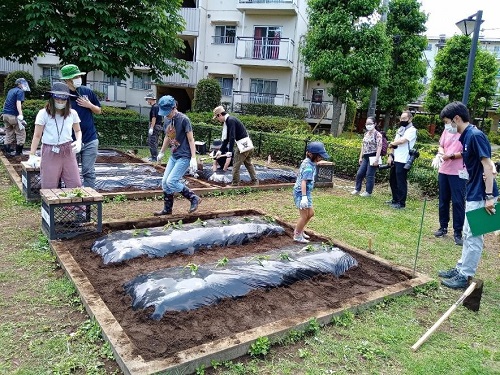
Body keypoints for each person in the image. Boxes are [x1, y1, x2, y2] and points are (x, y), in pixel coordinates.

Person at [438, 101, 498, 289]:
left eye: (447, 122)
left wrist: (489, 197)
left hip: (482, 194)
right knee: (467, 233)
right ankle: (461, 268)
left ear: (456, 118)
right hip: (473, 190)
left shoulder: (475, 135)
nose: (447, 126)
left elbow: (488, 165)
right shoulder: (465, 136)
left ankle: (465, 275)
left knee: (473, 236)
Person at [27, 82, 82, 189]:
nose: (60, 102)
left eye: (63, 99)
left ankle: (73, 206)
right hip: (50, 150)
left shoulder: (72, 113)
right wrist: (32, 155)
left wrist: (79, 141)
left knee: (75, 184)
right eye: (57, 99)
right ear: (52, 98)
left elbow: (78, 130)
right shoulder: (43, 114)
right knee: (49, 185)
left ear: (67, 100)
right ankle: (51, 206)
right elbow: (37, 135)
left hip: (67, 150)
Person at [154, 95, 200, 216]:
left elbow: (191, 139)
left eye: (167, 112)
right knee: (165, 182)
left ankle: (193, 198)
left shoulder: (184, 120)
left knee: (171, 181)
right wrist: (162, 152)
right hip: (174, 155)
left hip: (184, 156)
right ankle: (167, 209)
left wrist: (193, 158)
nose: (166, 115)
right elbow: (168, 137)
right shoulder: (167, 120)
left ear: (174, 108)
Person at [60, 64, 102, 188]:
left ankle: (89, 202)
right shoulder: (62, 95)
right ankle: (72, 200)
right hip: (69, 141)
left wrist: (89, 105)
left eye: (79, 76)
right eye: (76, 76)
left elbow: (99, 110)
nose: (79, 78)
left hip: (90, 139)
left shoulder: (87, 92)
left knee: (88, 171)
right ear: (67, 80)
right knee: (70, 172)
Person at [431, 123, 466, 246]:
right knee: (443, 200)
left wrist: (451, 156)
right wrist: (441, 154)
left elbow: (466, 152)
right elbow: (441, 146)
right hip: (444, 170)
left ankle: (458, 232)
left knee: (458, 202)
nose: (447, 124)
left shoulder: (465, 132)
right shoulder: (446, 131)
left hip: (458, 172)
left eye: (448, 121)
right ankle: (443, 227)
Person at [293, 141, 330, 243]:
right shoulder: (308, 167)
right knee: (304, 216)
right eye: (319, 156)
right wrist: (304, 197)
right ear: (311, 154)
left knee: (311, 213)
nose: (321, 158)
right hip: (301, 192)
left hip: (306, 192)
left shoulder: (310, 162)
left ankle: (300, 230)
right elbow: (303, 182)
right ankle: (297, 235)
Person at [212, 105, 258, 186]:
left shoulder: (230, 121)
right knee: (248, 163)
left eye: (217, 117)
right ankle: (255, 181)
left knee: (236, 165)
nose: (218, 120)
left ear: (219, 115)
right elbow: (227, 139)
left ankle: (235, 184)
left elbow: (232, 136)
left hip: (242, 146)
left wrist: (230, 151)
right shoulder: (230, 120)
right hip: (248, 144)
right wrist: (220, 151)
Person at [387, 111, 417, 209]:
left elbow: (402, 141)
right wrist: (390, 155)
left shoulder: (412, 130)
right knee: (392, 180)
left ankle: (401, 203)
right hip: (396, 158)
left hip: (404, 160)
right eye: (401, 118)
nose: (402, 120)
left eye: (404, 119)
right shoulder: (400, 129)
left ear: (410, 119)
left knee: (401, 182)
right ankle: (395, 199)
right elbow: (394, 144)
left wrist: (392, 143)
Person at [351, 117, 382, 197]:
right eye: (367, 124)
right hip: (366, 156)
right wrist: (360, 157)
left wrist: (377, 159)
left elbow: (379, 147)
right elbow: (363, 146)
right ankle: (357, 189)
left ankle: (368, 192)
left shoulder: (378, 134)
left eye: (370, 123)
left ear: (375, 124)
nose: (368, 125)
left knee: (370, 174)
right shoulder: (366, 134)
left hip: (373, 156)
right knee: (360, 173)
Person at [2, 78, 30, 157]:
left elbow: (5, 102)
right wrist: (21, 115)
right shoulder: (20, 91)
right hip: (13, 116)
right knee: (21, 132)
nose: (24, 85)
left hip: (5, 115)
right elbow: (18, 103)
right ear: (19, 84)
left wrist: (3, 112)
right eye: (23, 84)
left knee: (8, 133)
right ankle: (18, 153)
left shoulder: (11, 90)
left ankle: (7, 152)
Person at [144, 91, 163, 162]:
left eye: (147, 99)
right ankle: (154, 156)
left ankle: (154, 158)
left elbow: (154, 118)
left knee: (152, 141)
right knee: (154, 141)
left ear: (150, 99)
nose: (147, 101)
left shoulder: (155, 107)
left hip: (155, 126)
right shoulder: (156, 106)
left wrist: (151, 127)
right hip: (157, 126)